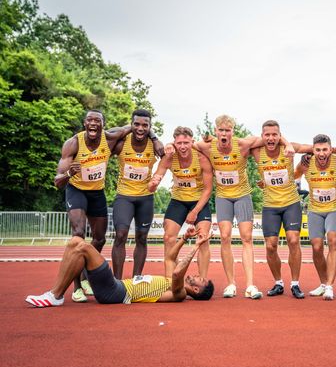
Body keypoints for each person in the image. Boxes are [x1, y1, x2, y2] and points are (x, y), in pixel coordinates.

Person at [188, 115, 294, 299]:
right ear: (216, 131)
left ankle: (251, 285)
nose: (224, 133)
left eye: (227, 130)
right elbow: (188, 144)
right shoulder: (207, 146)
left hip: (243, 196)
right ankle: (231, 284)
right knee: (225, 236)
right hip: (223, 197)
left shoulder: (244, 144)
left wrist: (288, 144)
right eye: (220, 130)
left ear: (232, 132)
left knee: (246, 238)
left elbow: (272, 138)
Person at [54, 110, 153, 303]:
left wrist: (155, 136)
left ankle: (85, 277)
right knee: (79, 235)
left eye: (97, 121)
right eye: (89, 120)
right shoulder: (73, 143)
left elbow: (134, 128)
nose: (93, 124)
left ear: (103, 125)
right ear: (84, 124)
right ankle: (77, 288)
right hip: (77, 190)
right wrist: (68, 175)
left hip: (97, 192)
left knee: (99, 239)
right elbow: (57, 181)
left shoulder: (109, 139)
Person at [25, 226, 214, 307]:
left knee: (83, 247)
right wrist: (185, 238)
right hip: (115, 286)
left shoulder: (179, 293)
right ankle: (56, 293)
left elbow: (177, 272)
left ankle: (55, 295)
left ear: (196, 289)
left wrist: (197, 247)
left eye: (201, 279)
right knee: (76, 241)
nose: (198, 275)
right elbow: (170, 259)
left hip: (116, 293)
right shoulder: (170, 283)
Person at [148, 127, 213, 282]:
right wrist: (153, 183)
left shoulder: (201, 158)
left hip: (199, 201)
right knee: (168, 238)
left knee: (203, 239)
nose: (183, 147)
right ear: (174, 143)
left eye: (186, 142)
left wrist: (195, 211)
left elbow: (208, 189)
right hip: (178, 200)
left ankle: (202, 280)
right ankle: (171, 279)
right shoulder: (170, 157)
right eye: (179, 143)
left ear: (192, 141)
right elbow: (156, 177)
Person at [252, 120, 305, 299]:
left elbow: (312, 148)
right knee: (270, 245)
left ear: (280, 135)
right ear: (262, 136)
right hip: (270, 206)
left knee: (293, 240)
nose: (271, 138)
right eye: (267, 135)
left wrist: (288, 144)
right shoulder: (257, 151)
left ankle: (295, 284)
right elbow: (242, 142)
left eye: (275, 134)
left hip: (291, 203)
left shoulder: (289, 150)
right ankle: (278, 282)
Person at [111, 109, 163, 279]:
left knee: (141, 238)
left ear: (150, 127)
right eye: (137, 124)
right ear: (131, 124)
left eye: (145, 125)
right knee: (120, 235)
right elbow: (108, 135)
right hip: (124, 197)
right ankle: (117, 282)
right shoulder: (121, 143)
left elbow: (168, 158)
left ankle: (136, 279)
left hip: (145, 198)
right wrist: (151, 134)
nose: (141, 128)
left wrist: (154, 138)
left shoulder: (155, 146)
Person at [294, 134, 336, 300]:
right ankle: (323, 283)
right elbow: (294, 175)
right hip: (315, 210)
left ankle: (330, 286)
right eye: (318, 150)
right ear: (313, 150)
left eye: (325, 149)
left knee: (333, 240)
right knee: (316, 247)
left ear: (330, 150)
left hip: (334, 209)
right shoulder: (306, 164)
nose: (322, 153)